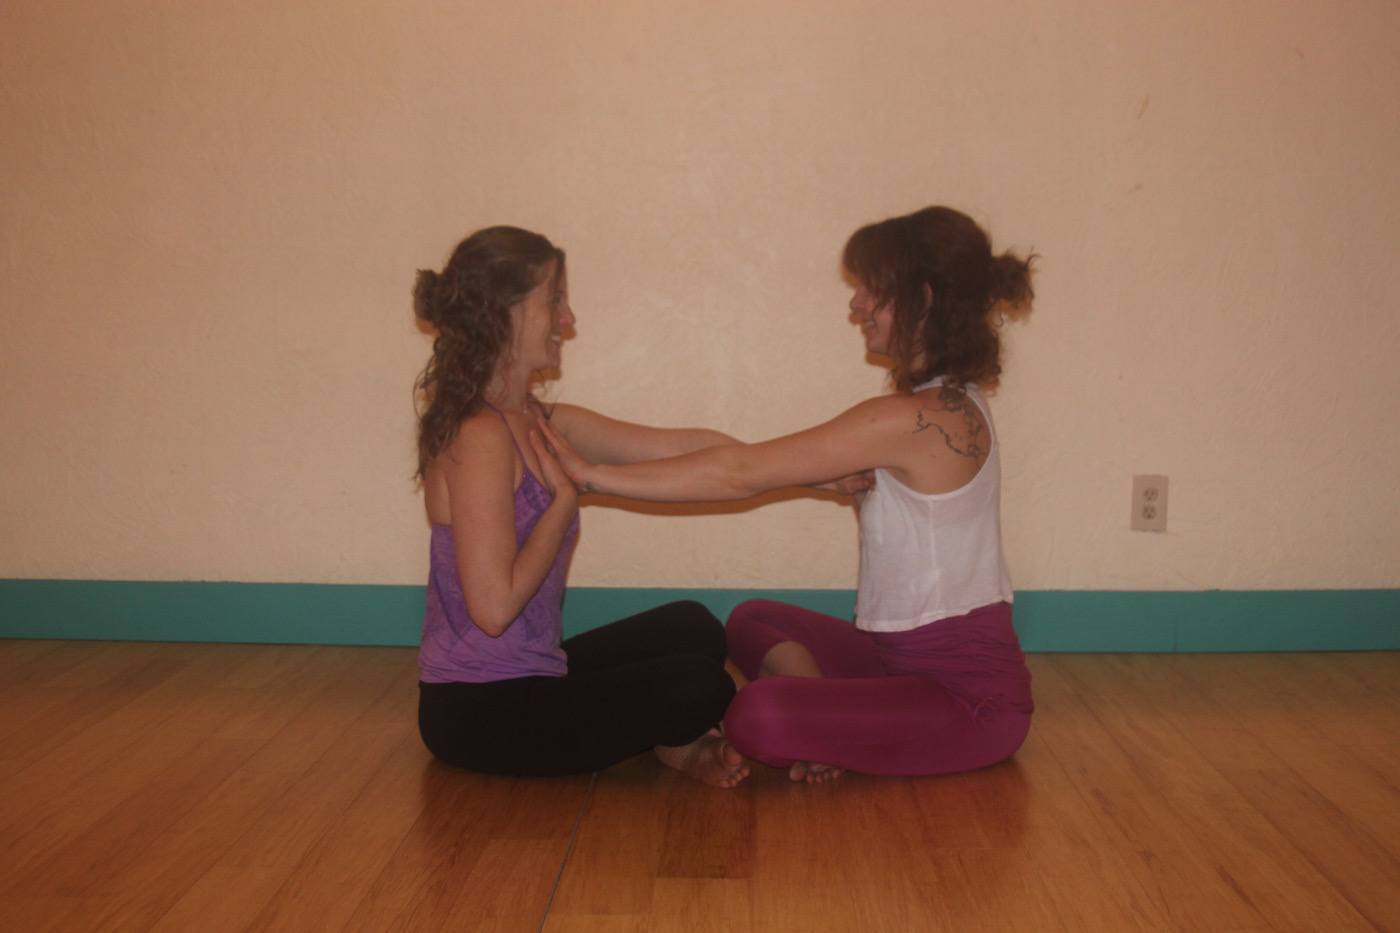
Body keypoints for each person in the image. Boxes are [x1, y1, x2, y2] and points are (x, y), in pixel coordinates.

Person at [536, 206, 1036, 783]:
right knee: (753, 618)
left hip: (969, 703)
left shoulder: (912, 417)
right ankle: (833, 724)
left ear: (922, 297)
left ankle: (823, 725)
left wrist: (591, 475)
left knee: (756, 717)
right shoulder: (947, 402)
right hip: (892, 661)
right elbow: (746, 461)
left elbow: (740, 473)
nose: (856, 305)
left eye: (872, 290)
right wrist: (806, 474)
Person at [412, 225, 749, 787]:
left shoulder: (542, 423)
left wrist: (815, 470)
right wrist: (564, 502)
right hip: (477, 712)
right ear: (507, 312)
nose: (568, 320)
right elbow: (493, 610)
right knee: (700, 686)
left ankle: (669, 741)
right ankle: (675, 741)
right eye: (555, 300)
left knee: (693, 626)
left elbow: (683, 447)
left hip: (538, 672)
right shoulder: (477, 436)